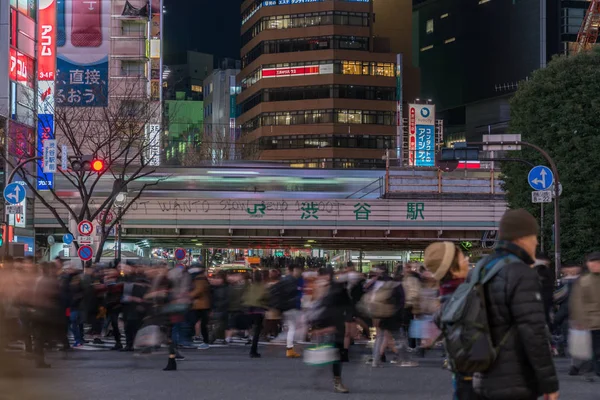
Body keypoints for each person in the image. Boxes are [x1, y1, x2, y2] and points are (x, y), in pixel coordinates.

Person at [473, 209, 559, 400]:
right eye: (533, 236)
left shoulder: (482, 268)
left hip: (481, 372)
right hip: (514, 378)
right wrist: (549, 384)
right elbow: (534, 332)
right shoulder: (521, 273)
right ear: (522, 237)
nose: (536, 242)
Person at [424, 241, 474, 399]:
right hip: (473, 372)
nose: (467, 261)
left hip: (461, 370)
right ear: (452, 270)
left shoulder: (448, 295)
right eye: (462, 258)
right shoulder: (464, 297)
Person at [569, 252, 600, 379]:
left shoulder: (583, 281)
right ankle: (595, 368)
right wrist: (580, 320)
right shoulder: (583, 281)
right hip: (591, 322)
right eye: (592, 263)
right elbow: (577, 302)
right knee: (595, 349)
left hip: (592, 321)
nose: (594, 266)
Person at [242, 270, 268, 358]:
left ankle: (249, 340)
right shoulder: (263, 287)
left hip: (249, 310)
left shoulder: (250, 287)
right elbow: (266, 297)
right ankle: (253, 350)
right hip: (259, 310)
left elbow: (245, 297)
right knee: (257, 331)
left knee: (252, 329)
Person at [188, 264, 211, 349]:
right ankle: (204, 340)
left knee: (197, 323)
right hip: (201, 304)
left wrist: (188, 295)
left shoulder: (199, 278)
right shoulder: (198, 277)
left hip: (200, 304)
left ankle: (205, 341)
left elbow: (199, 290)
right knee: (199, 323)